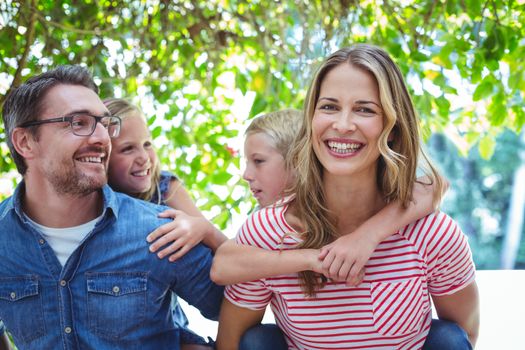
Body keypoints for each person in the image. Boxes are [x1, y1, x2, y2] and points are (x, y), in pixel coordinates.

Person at [215, 45, 479, 350]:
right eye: (328, 107)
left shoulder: (431, 234)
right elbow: (230, 342)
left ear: (392, 127)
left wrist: (367, 237)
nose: (342, 125)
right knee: (256, 342)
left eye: (365, 109)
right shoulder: (269, 233)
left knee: (449, 339)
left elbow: (465, 335)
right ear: (311, 118)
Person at [0, 65, 223, 350]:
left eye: (105, 124)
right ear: (25, 141)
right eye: (78, 123)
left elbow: (239, 301)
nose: (101, 138)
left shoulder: (159, 232)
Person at [103, 97, 226, 347]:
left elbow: (228, 254)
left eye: (147, 144)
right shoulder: (91, 206)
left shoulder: (165, 189)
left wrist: (205, 230)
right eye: (128, 148)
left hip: (168, 324)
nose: (144, 157)